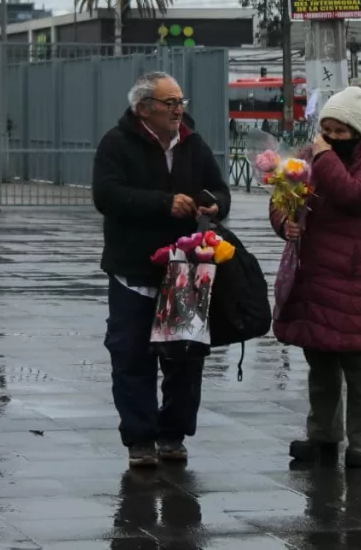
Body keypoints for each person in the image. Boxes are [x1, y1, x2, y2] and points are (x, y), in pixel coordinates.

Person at [93, 71, 232, 467]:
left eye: (180, 102)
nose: (178, 110)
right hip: (133, 269)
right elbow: (107, 195)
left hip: (186, 270)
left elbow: (220, 190)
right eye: (169, 103)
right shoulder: (116, 143)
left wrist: (213, 205)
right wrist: (163, 203)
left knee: (184, 357)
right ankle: (139, 439)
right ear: (143, 109)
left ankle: (173, 435)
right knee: (132, 355)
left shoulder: (193, 143)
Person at [269, 86, 361, 468]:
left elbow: (354, 194)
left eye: (341, 131)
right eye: (328, 130)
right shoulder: (311, 158)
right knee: (319, 358)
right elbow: (283, 199)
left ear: (356, 130)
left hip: (358, 276)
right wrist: (285, 222)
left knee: (359, 365)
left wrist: (323, 157)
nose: (333, 138)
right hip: (316, 272)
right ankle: (322, 435)